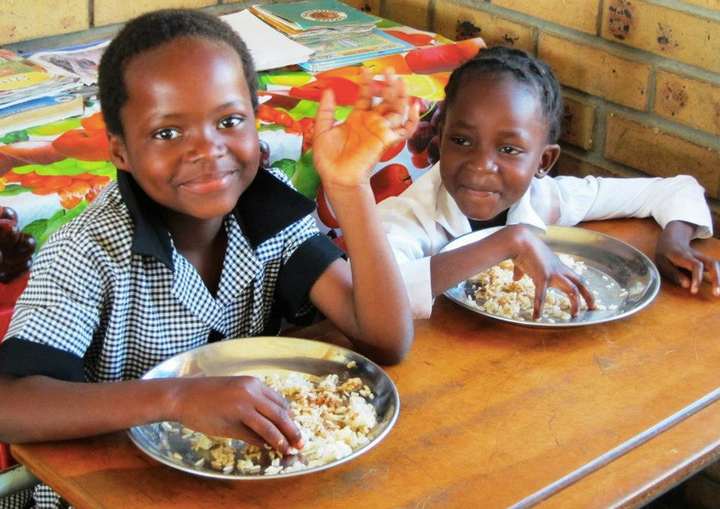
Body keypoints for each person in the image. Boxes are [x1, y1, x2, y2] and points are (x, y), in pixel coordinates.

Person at [0, 9, 417, 508]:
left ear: (256, 121)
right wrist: (176, 398)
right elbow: (11, 401)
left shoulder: (269, 208)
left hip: (239, 480)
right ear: (120, 150)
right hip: (103, 492)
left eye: (229, 121)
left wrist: (349, 189)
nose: (208, 149)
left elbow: (386, 339)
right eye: (167, 133)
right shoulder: (87, 251)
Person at [378, 45, 719, 320]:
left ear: (544, 162)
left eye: (509, 149)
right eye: (462, 141)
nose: (481, 165)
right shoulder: (406, 217)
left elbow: (675, 189)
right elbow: (379, 298)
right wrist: (512, 241)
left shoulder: (548, 198)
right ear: (440, 138)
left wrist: (674, 241)